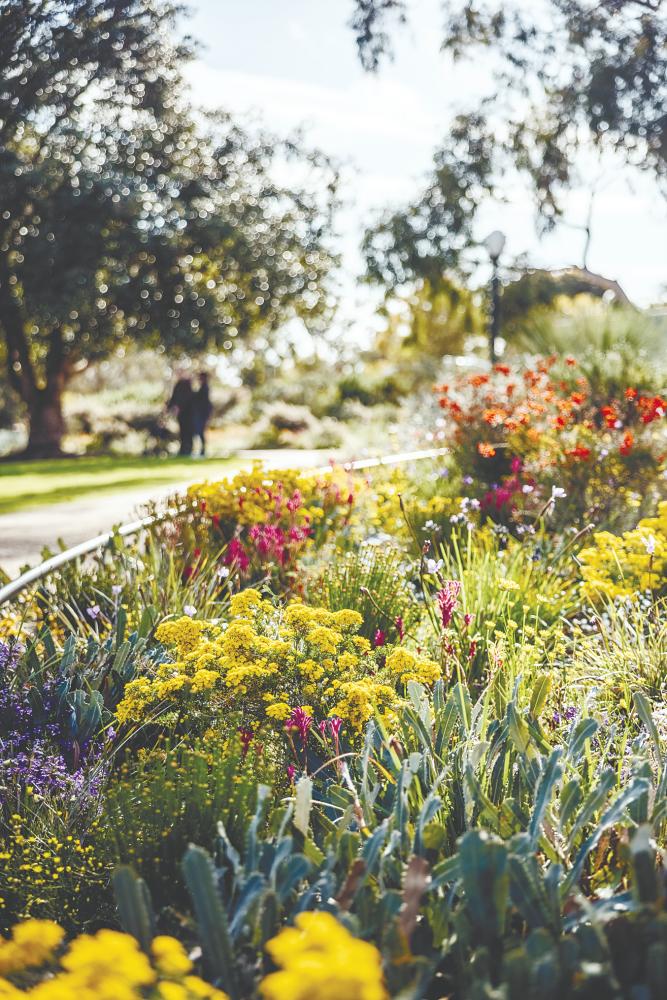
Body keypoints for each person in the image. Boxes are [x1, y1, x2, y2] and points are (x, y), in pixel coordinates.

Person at [167, 374, 194, 456]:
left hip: (187, 414)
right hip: (183, 415)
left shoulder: (186, 386)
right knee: (184, 432)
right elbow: (174, 399)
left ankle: (187, 450)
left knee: (187, 432)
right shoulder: (180, 386)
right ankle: (184, 450)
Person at [193, 371, 213, 457]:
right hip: (202, 413)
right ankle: (201, 450)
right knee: (199, 432)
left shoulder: (205, 388)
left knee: (200, 432)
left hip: (202, 414)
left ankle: (203, 451)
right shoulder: (203, 387)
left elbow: (204, 402)